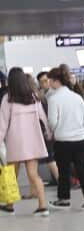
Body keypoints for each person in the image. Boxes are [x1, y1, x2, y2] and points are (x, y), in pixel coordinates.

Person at [0, 69, 52, 217]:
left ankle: (10, 206)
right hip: (33, 141)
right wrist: (48, 133)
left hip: (16, 142)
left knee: (12, 174)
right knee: (33, 174)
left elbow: (2, 123)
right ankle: (43, 206)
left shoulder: (8, 98)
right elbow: (42, 117)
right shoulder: (33, 97)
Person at [44, 66, 84, 210]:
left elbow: (52, 121)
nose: (49, 84)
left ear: (55, 81)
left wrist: (52, 131)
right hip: (81, 139)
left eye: (50, 81)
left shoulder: (54, 99)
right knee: (83, 169)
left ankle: (64, 199)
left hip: (63, 141)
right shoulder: (77, 97)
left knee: (64, 171)